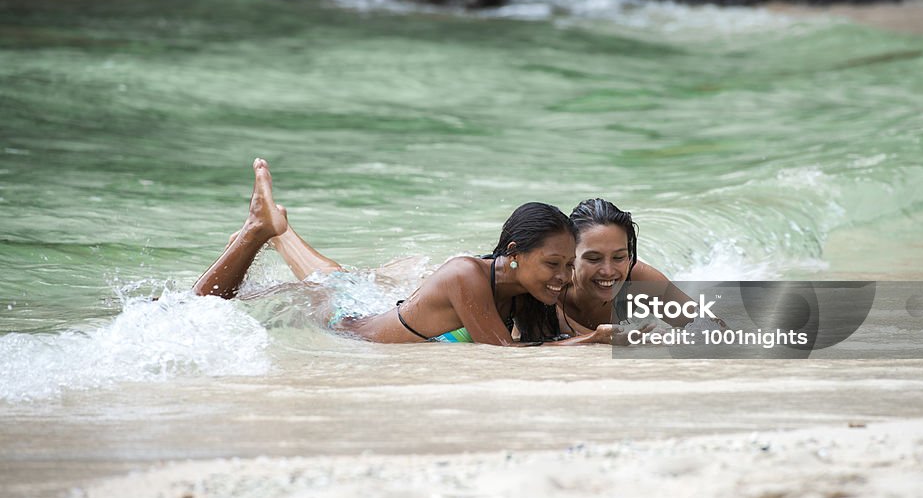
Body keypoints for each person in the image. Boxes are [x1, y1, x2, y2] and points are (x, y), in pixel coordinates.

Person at [192, 159, 614, 345]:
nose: (564, 276)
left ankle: (279, 233)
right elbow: (503, 354)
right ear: (515, 253)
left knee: (339, 279)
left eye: (568, 265)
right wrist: (595, 341)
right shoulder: (465, 274)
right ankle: (255, 232)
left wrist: (619, 339)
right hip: (343, 326)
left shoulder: (531, 291)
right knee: (202, 308)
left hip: (367, 305)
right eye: (553, 264)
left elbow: (564, 339)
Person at [557, 198, 721, 334]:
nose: (608, 271)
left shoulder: (638, 280)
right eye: (594, 258)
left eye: (619, 257)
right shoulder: (549, 288)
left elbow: (714, 330)